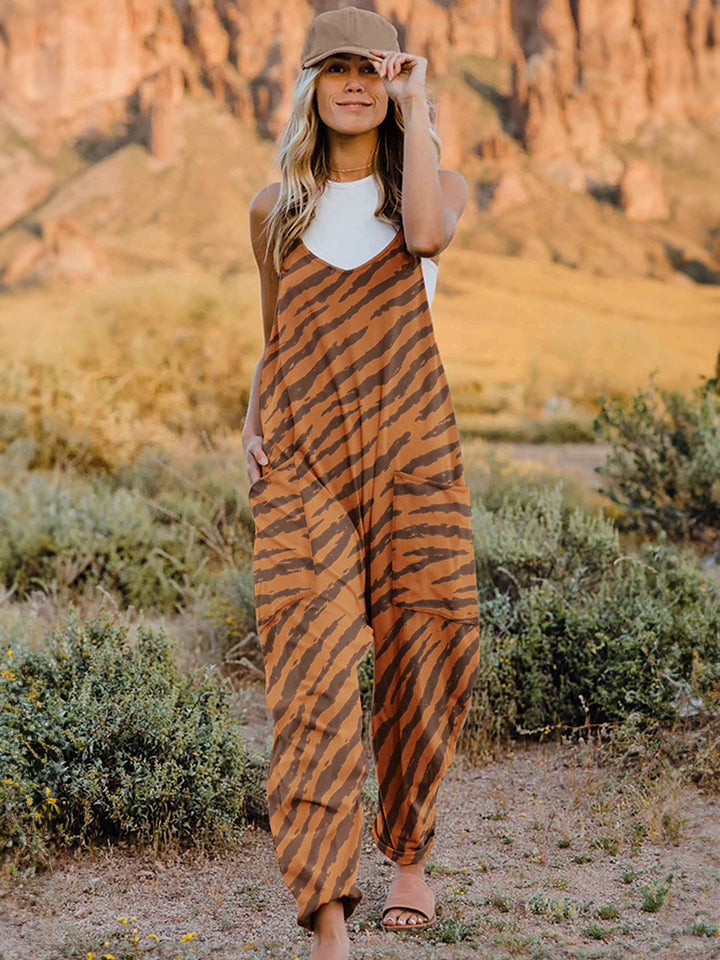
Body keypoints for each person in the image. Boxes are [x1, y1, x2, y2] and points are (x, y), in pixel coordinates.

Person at [242, 7, 481, 959]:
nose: (353, 83)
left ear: (392, 80)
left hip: (411, 448)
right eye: (333, 68)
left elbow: (424, 238)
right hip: (304, 462)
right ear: (309, 86)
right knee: (310, 676)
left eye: (370, 68)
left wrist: (418, 104)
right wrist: (249, 416)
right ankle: (327, 915)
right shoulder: (275, 209)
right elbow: (276, 336)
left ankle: (409, 855)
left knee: (432, 643)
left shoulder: (434, 185)